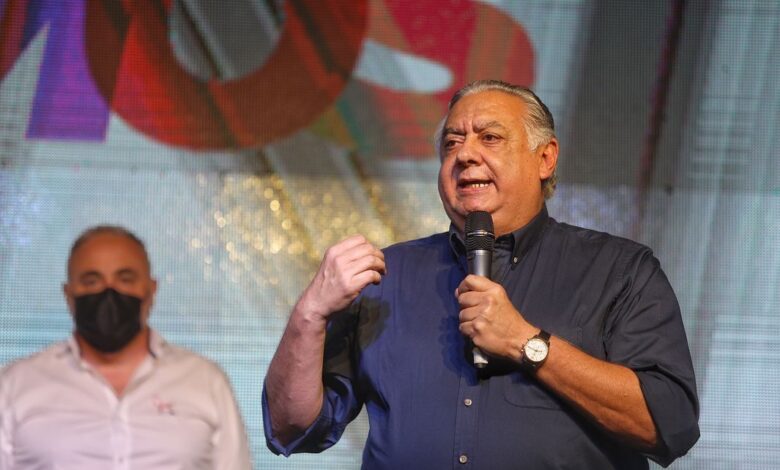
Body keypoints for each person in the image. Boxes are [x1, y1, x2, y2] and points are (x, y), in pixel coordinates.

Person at [262, 80, 700, 468]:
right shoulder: (386, 277)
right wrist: (309, 315)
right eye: (452, 143)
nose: (466, 154)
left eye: (490, 138)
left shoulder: (619, 271)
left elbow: (669, 425)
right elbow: (292, 429)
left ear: (545, 158)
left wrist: (526, 343)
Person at [0, 226, 252, 469]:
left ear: (151, 290)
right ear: (69, 294)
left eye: (125, 279)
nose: (109, 292)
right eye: (91, 281)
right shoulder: (15, 384)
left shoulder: (205, 380)